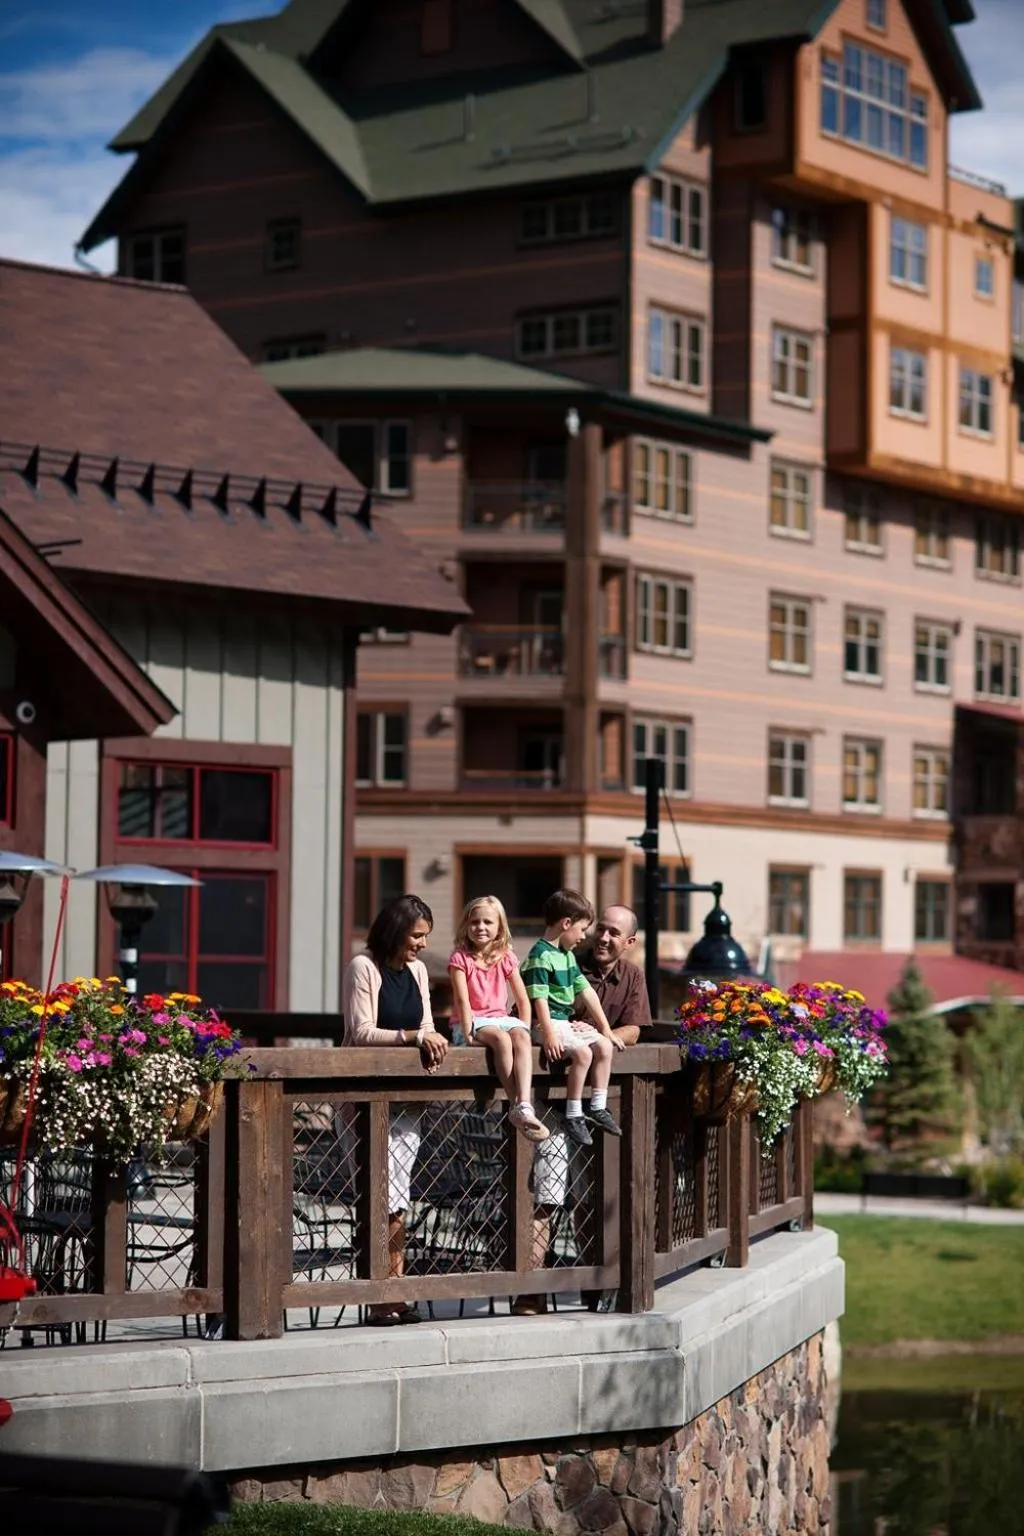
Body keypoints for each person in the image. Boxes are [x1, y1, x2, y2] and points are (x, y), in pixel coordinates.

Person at [342, 893, 449, 1325]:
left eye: (426, 937)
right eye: (417, 935)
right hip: (364, 1103)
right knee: (379, 1196)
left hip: (407, 1101)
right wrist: (411, 1038)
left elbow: (427, 1025)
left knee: (399, 1197)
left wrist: (427, 1035)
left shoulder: (420, 970)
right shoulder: (363, 966)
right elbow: (361, 1031)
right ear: (395, 931)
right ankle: (380, 1296)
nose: (422, 944)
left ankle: (395, 1290)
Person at [521, 889, 625, 1147]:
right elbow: (539, 999)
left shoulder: (566, 956)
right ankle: (573, 1113)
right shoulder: (541, 955)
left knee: (603, 1045)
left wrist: (606, 1029)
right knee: (584, 1054)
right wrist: (548, 1033)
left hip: (562, 1023)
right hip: (546, 1023)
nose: (583, 936)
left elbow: (586, 992)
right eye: (582, 929)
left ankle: (598, 1107)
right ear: (566, 924)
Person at [448, 895, 549, 1143]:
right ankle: (517, 1102)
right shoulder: (460, 958)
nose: (480, 927)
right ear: (466, 925)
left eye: (487, 922)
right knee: (503, 1041)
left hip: (500, 1018)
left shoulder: (505, 956)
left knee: (520, 1039)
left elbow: (523, 999)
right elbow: (462, 1000)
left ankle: (524, 1104)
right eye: (474, 922)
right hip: (471, 1021)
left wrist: (523, 1026)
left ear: (499, 928)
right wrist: (468, 1030)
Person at [574, 905, 652, 1046]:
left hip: (605, 1060)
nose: (603, 938)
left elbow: (633, 1031)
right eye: (600, 929)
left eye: (613, 933)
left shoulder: (633, 975)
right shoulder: (569, 965)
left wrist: (594, 1037)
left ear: (629, 942)